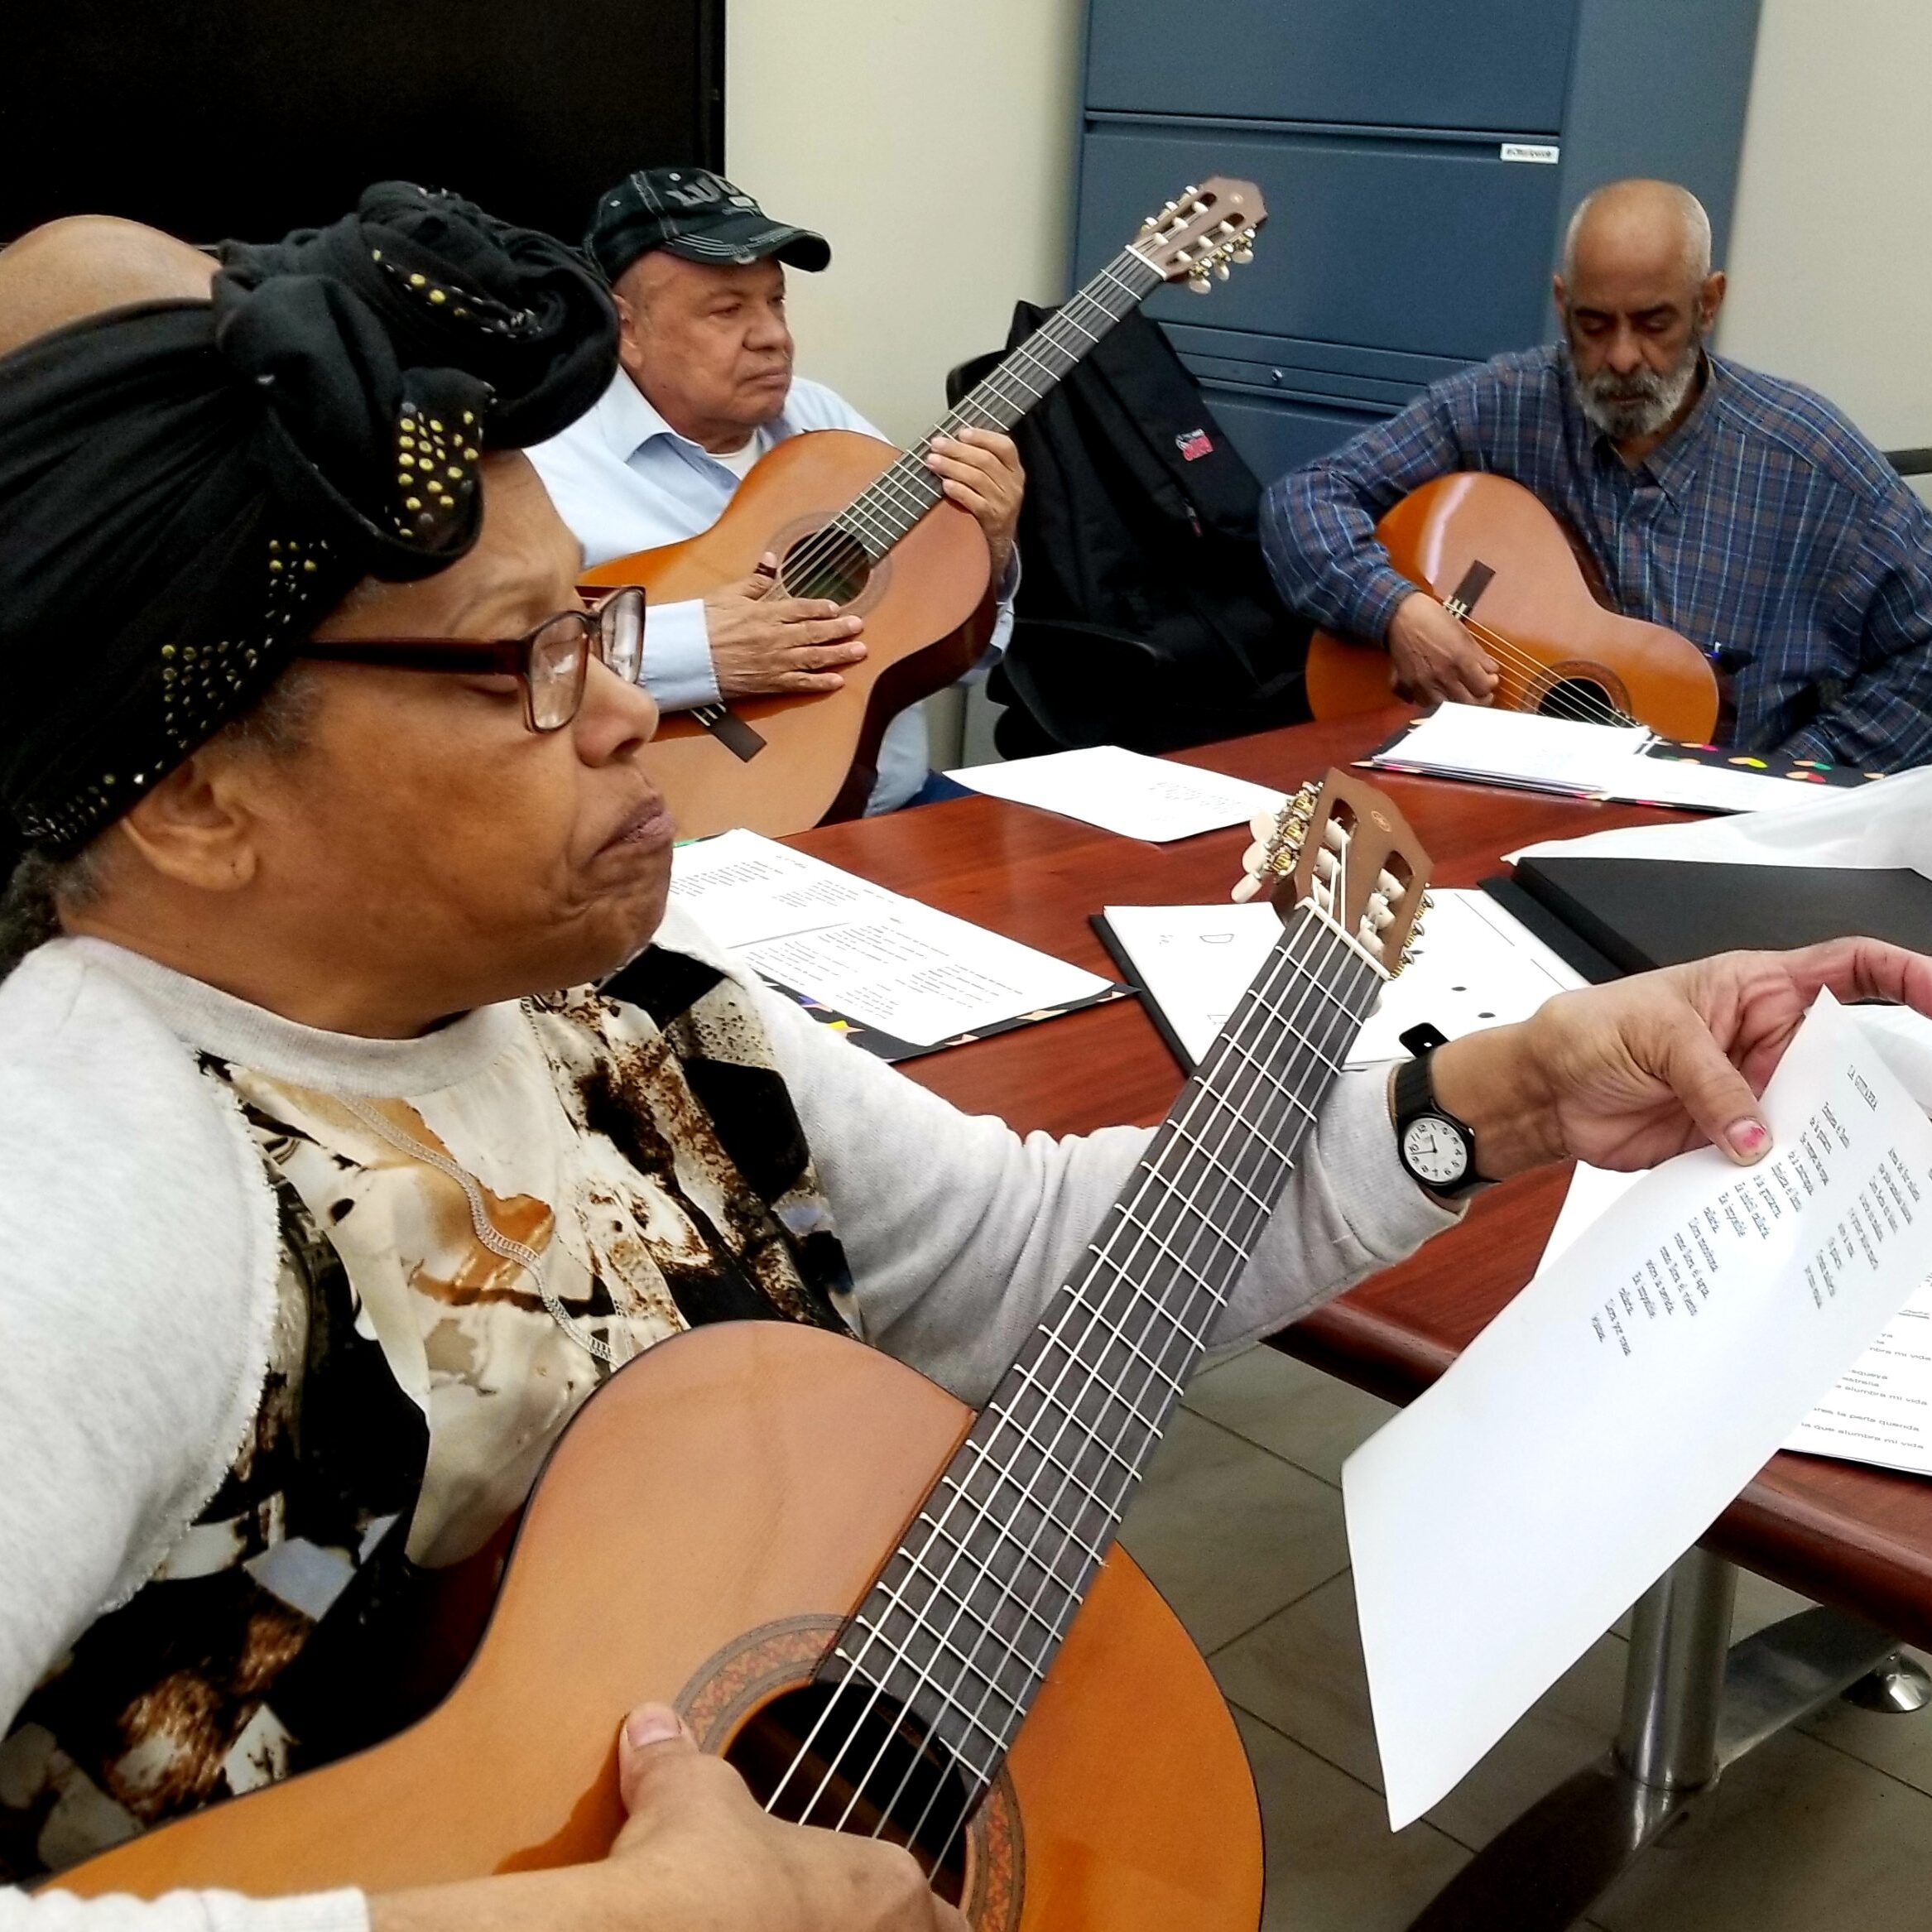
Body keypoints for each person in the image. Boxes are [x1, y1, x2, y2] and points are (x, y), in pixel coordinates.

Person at [5, 190, 1930, 1932]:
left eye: (601, 627)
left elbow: (1017, 1255)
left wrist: (1501, 1091)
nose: (636, 707)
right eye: (530, 660)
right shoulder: (91, 1177)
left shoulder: (643, 1005)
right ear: (194, 800)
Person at [1262, 177, 1932, 771]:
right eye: (1593, 324)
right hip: (1493, 794)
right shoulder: (1505, 404)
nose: (1621, 356)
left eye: (1654, 323)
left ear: (1708, 303)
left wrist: (1795, 779)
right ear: (1561, 304)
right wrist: (1397, 612)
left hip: (1703, 844)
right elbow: (1305, 500)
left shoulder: (1807, 459)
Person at [526, 166, 1024, 812]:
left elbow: (963, 651)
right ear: (626, 331)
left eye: (775, 301)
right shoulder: (543, 465)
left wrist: (987, 544)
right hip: (675, 838)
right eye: (727, 310)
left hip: (897, 810)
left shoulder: (827, 423)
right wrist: (702, 652)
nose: (772, 336)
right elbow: (511, 673)